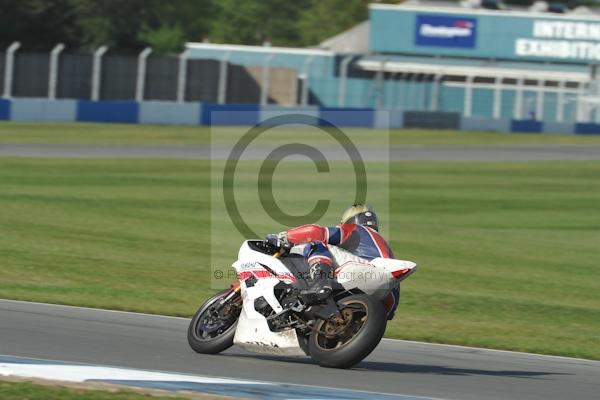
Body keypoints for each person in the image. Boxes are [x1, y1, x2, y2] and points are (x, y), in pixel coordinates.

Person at [265, 203, 399, 320]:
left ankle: (320, 283)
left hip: (362, 269)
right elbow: (390, 311)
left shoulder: (356, 229)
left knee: (316, 244)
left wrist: (281, 238)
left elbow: (317, 232)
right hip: (382, 300)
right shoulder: (386, 250)